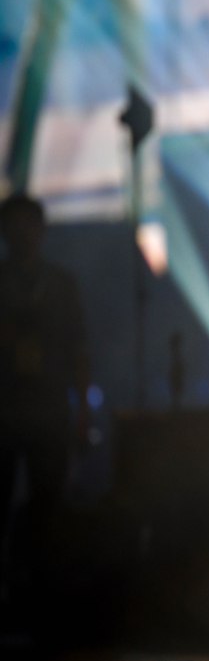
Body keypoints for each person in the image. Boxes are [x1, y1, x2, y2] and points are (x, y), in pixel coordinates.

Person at [0, 193, 90, 624]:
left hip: (49, 411)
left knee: (48, 509)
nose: (22, 235)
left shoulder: (61, 285)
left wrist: (83, 410)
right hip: (5, 412)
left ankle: (42, 602)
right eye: (14, 226)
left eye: (28, 226)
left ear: (41, 231)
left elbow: (80, 351)